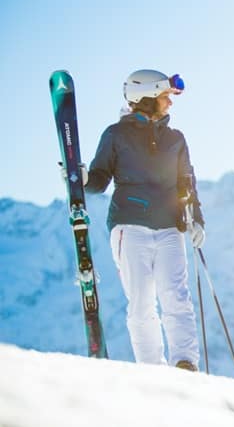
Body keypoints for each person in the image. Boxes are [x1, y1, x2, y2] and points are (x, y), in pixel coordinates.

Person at [83, 69, 206, 371]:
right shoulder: (116, 134)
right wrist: (81, 178)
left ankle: (184, 364)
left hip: (169, 227)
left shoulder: (176, 139)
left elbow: (186, 183)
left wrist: (197, 218)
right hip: (130, 224)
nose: (170, 104)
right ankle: (152, 370)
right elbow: (99, 180)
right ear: (147, 98)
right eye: (166, 97)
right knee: (141, 301)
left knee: (177, 296)